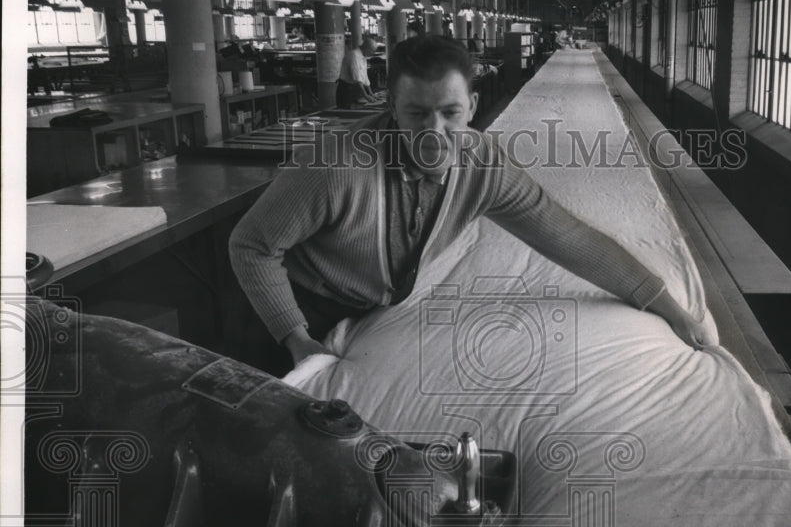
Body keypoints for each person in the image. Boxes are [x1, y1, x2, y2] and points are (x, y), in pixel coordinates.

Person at [229, 36, 715, 375]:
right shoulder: (335, 167)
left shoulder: (483, 167)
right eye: (416, 113)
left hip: (365, 312)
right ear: (391, 107)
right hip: (295, 304)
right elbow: (251, 245)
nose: (434, 133)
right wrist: (294, 337)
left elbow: (567, 236)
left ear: (474, 106)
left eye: (450, 113)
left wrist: (669, 308)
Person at [336, 36, 376, 107]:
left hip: (355, 89)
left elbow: (365, 77)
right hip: (346, 90)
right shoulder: (354, 55)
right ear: (366, 48)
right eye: (372, 51)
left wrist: (371, 93)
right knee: (347, 114)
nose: (372, 53)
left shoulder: (363, 57)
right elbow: (357, 78)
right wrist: (366, 96)